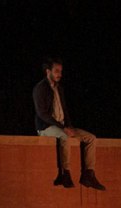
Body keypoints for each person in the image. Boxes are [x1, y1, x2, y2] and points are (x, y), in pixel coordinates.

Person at [32, 56, 104, 190]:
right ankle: (65, 173)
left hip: (62, 126)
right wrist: (63, 128)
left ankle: (88, 175)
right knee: (64, 136)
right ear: (48, 72)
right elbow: (42, 114)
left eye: (61, 71)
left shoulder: (59, 88)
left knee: (91, 138)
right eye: (57, 71)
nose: (60, 74)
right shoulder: (40, 88)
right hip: (46, 127)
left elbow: (65, 109)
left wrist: (69, 126)